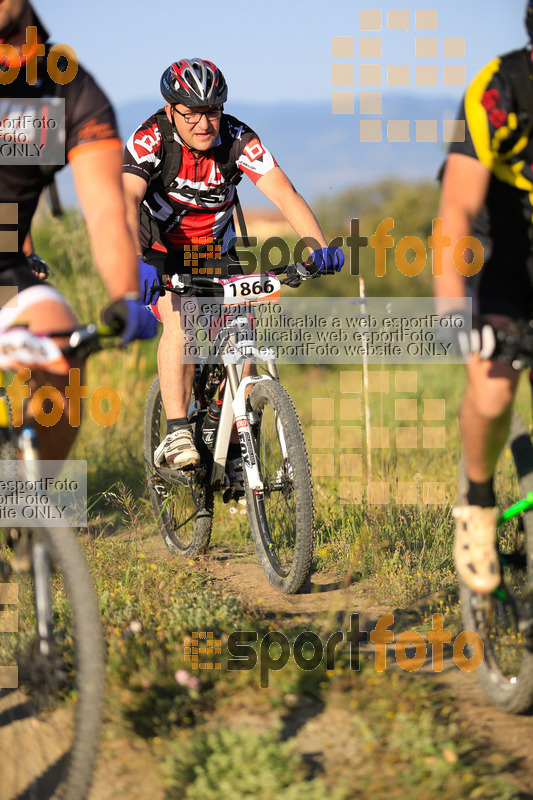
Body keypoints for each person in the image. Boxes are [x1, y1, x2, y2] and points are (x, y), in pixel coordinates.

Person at [123, 57, 344, 482]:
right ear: (170, 110)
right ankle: (176, 433)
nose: (205, 124)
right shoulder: (149, 139)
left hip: (216, 250)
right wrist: (135, 260)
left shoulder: (239, 138)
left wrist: (315, 245)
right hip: (159, 251)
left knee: (243, 334)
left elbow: (283, 191)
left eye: (213, 111)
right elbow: (125, 200)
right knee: (182, 323)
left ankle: (241, 433)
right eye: (192, 114)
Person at [0, 0, 156, 460]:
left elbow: (106, 210)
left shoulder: (63, 88)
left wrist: (125, 294)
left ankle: (27, 517)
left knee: (64, 359)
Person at [434, 2, 533, 593]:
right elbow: (457, 212)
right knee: (494, 389)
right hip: (504, 256)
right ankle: (476, 504)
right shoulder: (499, 90)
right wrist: (452, 307)